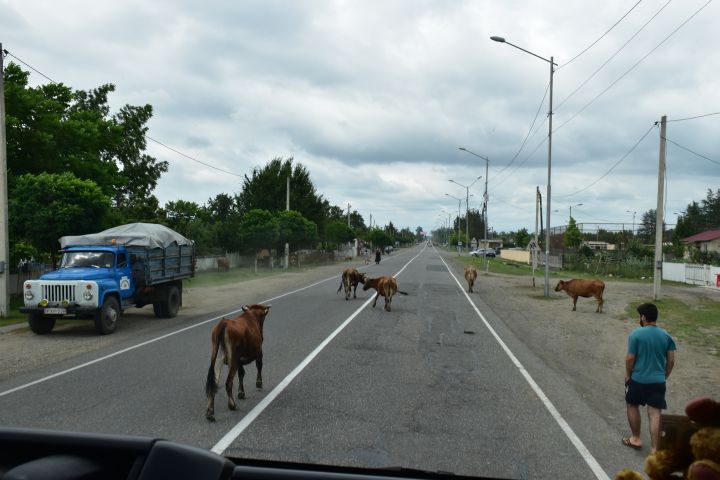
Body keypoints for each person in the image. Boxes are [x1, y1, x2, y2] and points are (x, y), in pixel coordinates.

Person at [622, 302, 676, 452]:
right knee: (655, 413)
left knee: (632, 405)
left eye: (640, 316)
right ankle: (654, 449)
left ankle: (636, 439)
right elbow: (671, 360)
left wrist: (629, 375)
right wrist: (664, 376)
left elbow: (630, 358)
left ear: (643, 317)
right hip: (658, 381)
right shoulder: (666, 336)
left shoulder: (635, 334)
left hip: (638, 379)